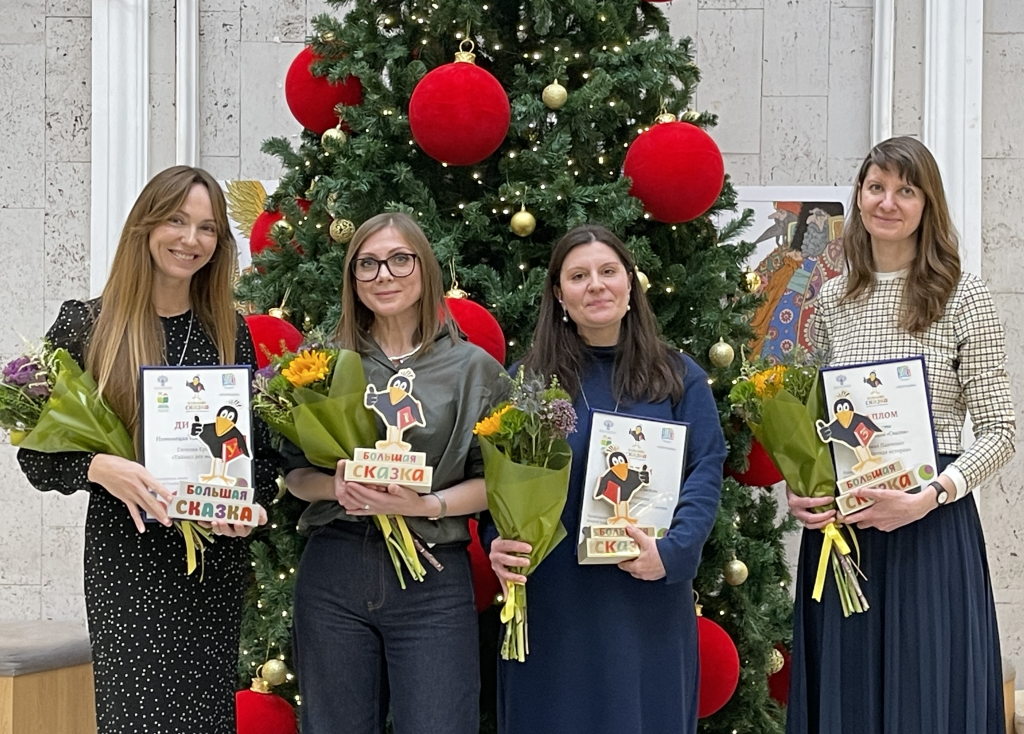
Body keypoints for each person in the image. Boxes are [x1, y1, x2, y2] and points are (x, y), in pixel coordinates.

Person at [17, 166, 276, 733]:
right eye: (177, 220)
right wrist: (98, 467)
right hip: (127, 562)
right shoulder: (87, 324)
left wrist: (247, 507)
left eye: (208, 228)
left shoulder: (228, 329)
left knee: (206, 718)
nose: (191, 239)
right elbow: (35, 455)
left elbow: (251, 449)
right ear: (146, 225)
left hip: (211, 564)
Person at [786, 136, 1015, 734]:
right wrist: (800, 488)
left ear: (927, 203)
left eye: (905, 190)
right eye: (876, 187)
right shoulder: (831, 300)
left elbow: (1001, 432)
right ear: (859, 197)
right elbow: (811, 423)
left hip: (930, 527)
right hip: (846, 532)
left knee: (927, 696)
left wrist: (929, 497)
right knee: (849, 698)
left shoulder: (963, 295)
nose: (887, 202)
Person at [486, 224, 727, 733]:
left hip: (646, 595)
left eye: (608, 271)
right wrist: (496, 542)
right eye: (578, 276)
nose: (595, 285)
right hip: (555, 602)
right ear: (559, 294)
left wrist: (673, 552)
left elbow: (706, 470)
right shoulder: (528, 383)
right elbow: (496, 483)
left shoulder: (679, 377)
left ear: (630, 283)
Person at [282, 212, 508, 734]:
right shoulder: (323, 364)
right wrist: (335, 486)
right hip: (335, 569)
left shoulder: (472, 368)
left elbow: (497, 481)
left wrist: (429, 504)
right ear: (352, 277)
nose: (384, 275)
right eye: (368, 264)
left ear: (425, 268)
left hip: (432, 573)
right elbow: (294, 475)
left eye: (400, 260)